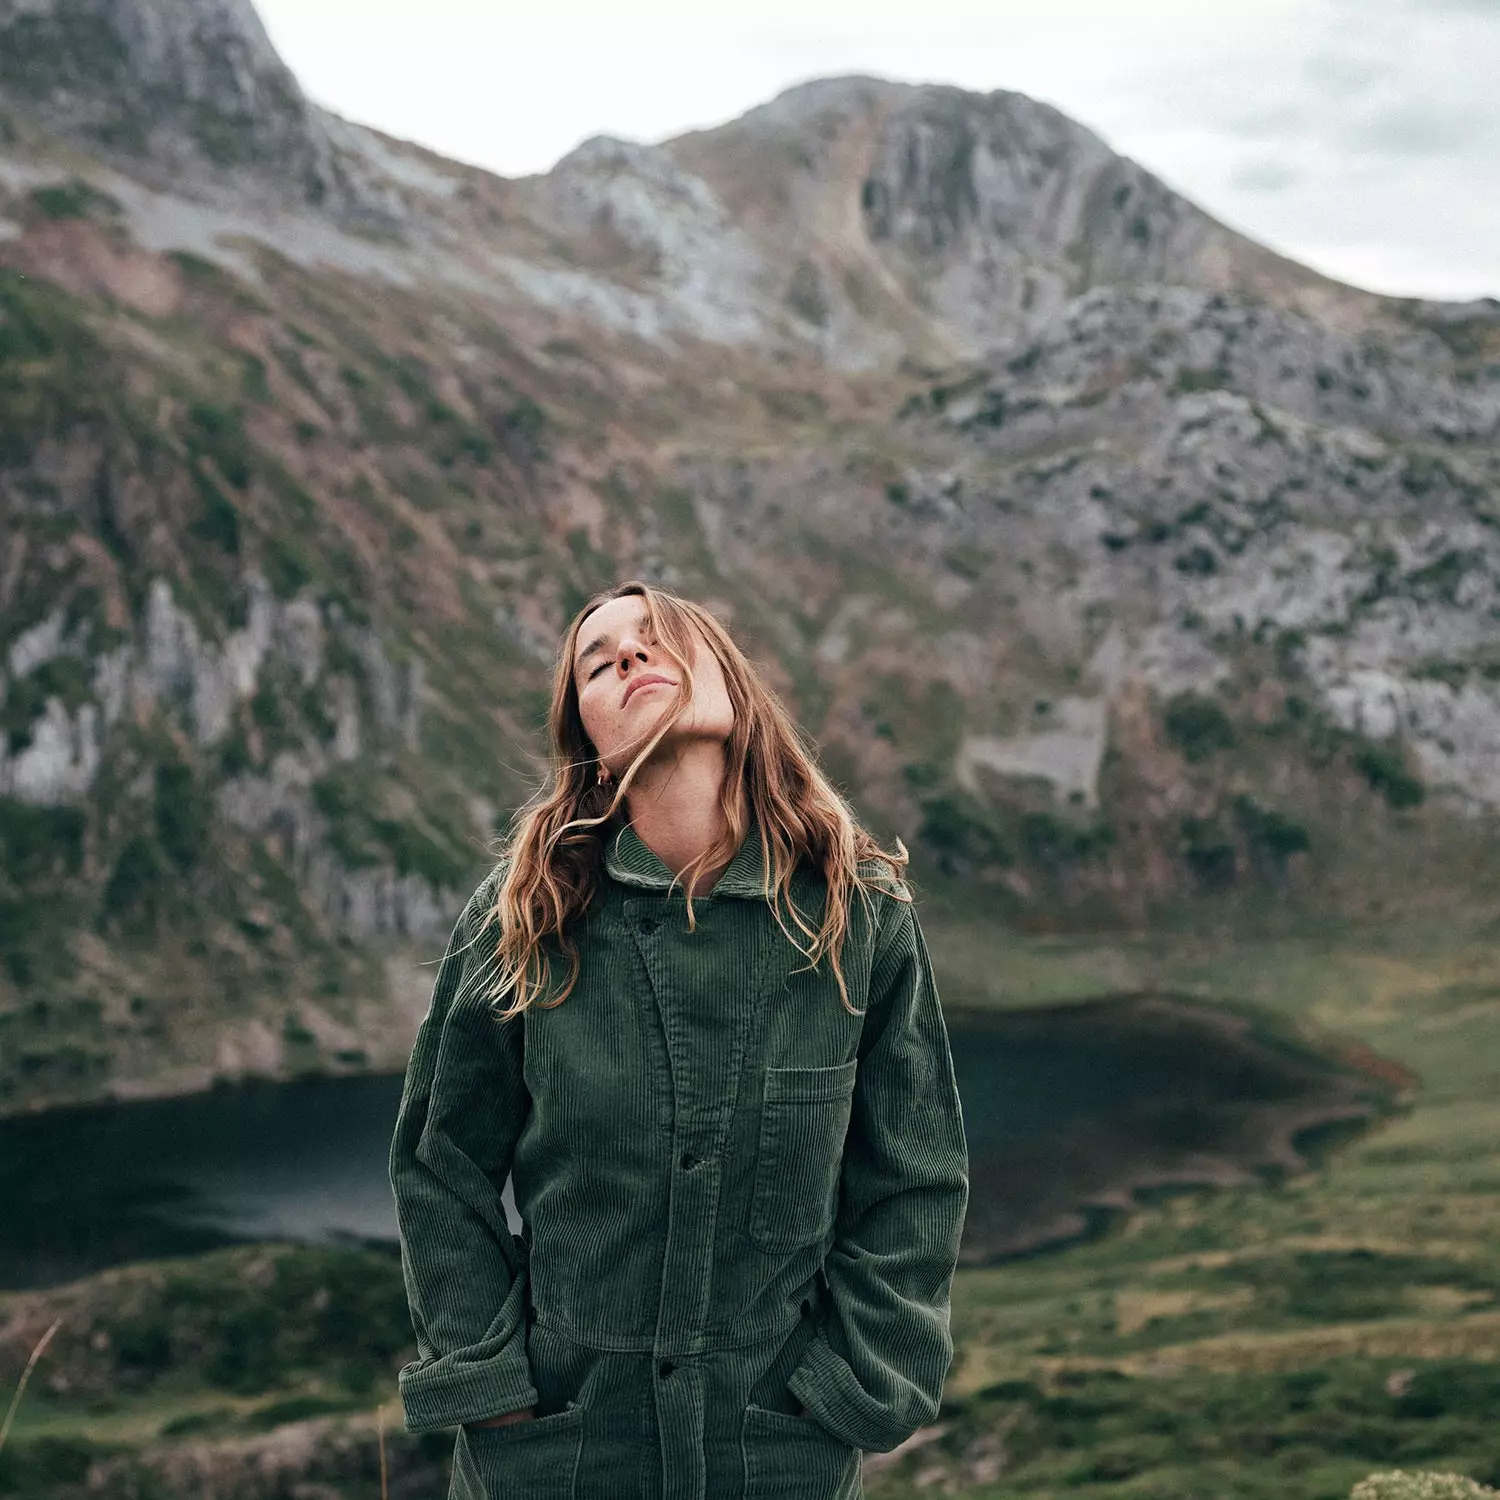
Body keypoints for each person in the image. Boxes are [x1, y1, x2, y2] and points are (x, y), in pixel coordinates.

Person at [388, 579, 969, 1500]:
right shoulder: (522, 918)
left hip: (774, 1452)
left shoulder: (859, 918)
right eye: (598, 658)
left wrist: (852, 1389)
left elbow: (913, 1177)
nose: (629, 655)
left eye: (657, 637)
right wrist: (492, 1390)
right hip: (558, 1451)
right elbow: (438, 1164)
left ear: (731, 691)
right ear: (590, 743)